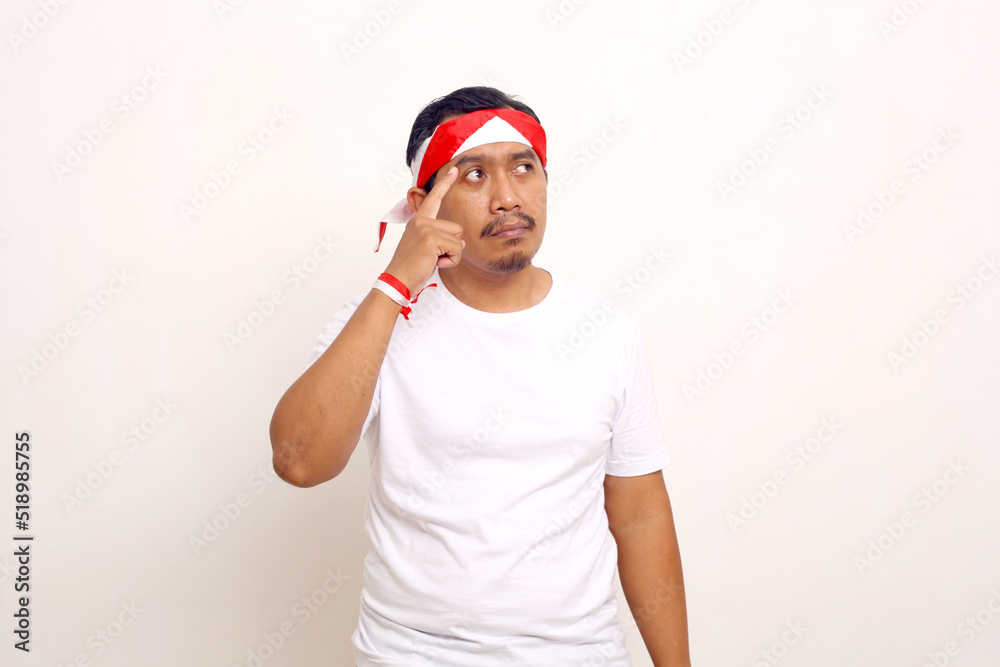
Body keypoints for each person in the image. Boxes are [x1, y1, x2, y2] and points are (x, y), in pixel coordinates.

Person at [269, 86, 691, 666]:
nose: (507, 197)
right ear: (424, 205)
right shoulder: (375, 323)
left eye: (524, 168)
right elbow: (299, 462)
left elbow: (640, 513)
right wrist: (396, 283)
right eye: (473, 175)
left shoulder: (606, 330)